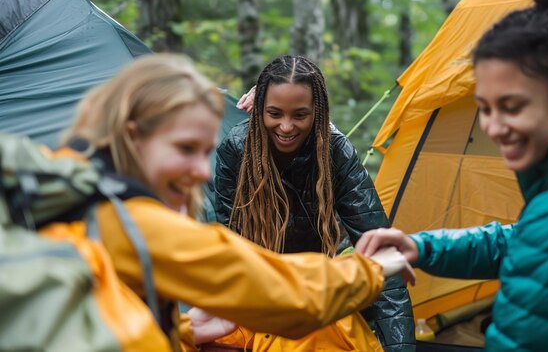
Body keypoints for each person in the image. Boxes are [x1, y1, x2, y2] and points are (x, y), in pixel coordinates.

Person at [59, 53, 413, 352]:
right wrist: (373, 269)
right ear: (134, 137)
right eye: (185, 149)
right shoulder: (132, 223)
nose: (201, 172)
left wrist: (185, 332)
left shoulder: (65, 188)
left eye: (203, 152)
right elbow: (261, 281)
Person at [355, 0, 548, 352]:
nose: (494, 127)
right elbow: (530, 240)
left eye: (512, 106)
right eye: (485, 107)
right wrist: (422, 247)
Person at [213, 55, 415, 351]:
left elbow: (381, 252)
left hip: (318, 286)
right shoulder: (237, 148)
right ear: (258, 111)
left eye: (299, 115)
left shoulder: (335, 152)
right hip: (258, 285)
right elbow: (228, 245)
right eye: (274, 113)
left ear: (317, 113)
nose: (285, 127)